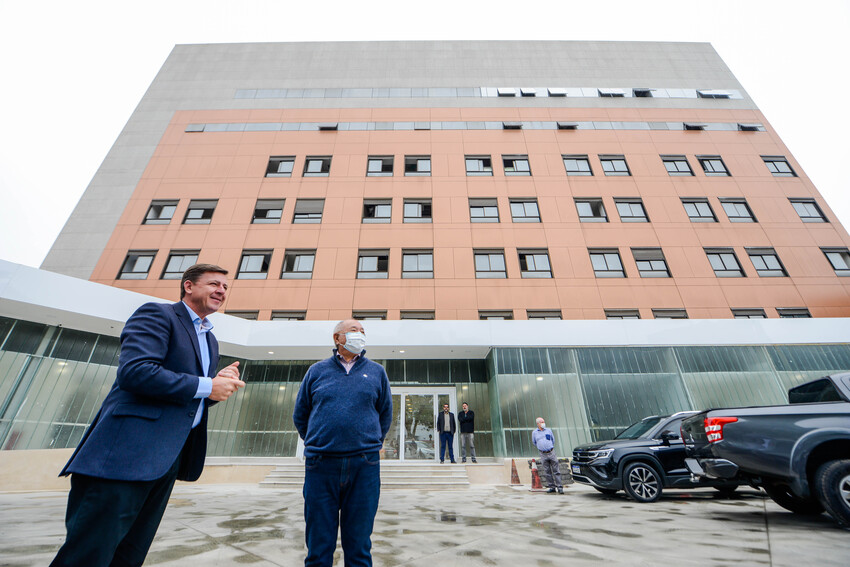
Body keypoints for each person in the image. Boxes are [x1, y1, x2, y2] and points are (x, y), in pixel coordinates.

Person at [50, 264, 245, 566]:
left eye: (225, 287)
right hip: (124, 458)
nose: (221, 290)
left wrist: (219, 386)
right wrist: (208, 385)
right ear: (188, 286)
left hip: (165, 460)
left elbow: (186, 398)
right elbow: (136, 373)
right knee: (88, 555)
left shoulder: (210, 339)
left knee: (129, 555)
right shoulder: (158, 314)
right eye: (213, 284)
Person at [293, 319, 392, 567]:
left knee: (359, 545)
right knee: (318, 545)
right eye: (354, 330)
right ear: (338, 338)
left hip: (364, 466)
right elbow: (301, 414)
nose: (360, 334)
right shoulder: (316, 371)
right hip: (321, 465)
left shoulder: (377, 372)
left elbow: (385, 414)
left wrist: (368, 443)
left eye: (363, 331)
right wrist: (320, 441)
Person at [532, 417, 563, 494]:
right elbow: (534, 442)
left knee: (556, 471)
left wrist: (548, 447)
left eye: (543, 422)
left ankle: (560, 487)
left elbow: (553, 440)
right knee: (547, 471)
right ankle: (552, 487)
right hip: (543, 454)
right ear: (538, 423)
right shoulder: (534, 433)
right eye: (542, 422)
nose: (543, 423)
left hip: (551, 452)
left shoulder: (549, 430)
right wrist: (542, 447)